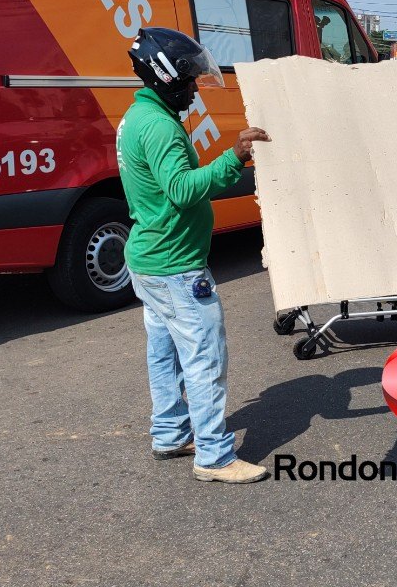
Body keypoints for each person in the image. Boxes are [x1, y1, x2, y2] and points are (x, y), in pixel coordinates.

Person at [118, 27, 272, 484]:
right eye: (189, 82)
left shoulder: (137, 116)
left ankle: (170, 434)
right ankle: (215, 456)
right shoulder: (160, 126)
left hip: (149, 260)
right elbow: (182, 190)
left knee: (164, 354)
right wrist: (233, 157)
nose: (194, 91)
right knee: (204, 359)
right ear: (167, 78)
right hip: (175, 267)